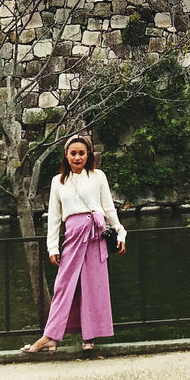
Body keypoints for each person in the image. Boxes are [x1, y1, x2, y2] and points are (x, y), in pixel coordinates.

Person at [21, 132, 126, 353]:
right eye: (73, 153)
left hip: (96, 235)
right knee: (63, 286)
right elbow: (54, 216)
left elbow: (108, 208)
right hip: (73, 236)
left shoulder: (98, 176)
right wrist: (52, 246)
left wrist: (120, 231)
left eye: (82, 153)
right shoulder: (58, 182)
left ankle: (89, 337)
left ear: (88, 155)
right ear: (66, 155)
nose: (77, 158)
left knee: (92, 285)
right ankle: (50, 336)